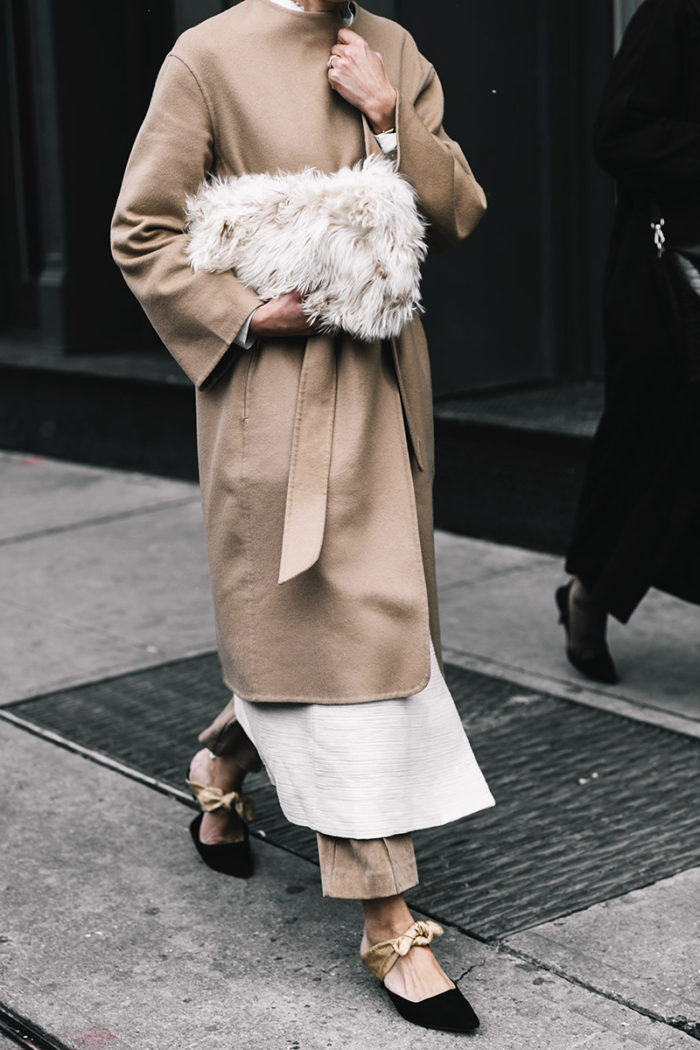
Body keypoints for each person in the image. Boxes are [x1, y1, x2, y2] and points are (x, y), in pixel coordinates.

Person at [111, 0, 494, 1034]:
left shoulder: (391, 47)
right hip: (279, 396)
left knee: (356, 639)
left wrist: (389, 116)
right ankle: (388, 919)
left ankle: (223, 761)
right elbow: (142, 228)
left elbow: (457, 211)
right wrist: (245, 313)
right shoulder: (206, 55)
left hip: (387, 389)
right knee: (333, 641)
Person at [558, 0, 700, 684]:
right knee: (653, 446)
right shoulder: (675, 13)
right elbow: (618, 135)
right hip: (669, 286)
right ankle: (589, 596)